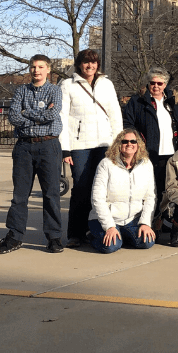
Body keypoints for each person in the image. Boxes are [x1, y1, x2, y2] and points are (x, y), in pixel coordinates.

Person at [0, 54, 65, 254]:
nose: (36, 70)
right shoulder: (21, 91)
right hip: (24, 147)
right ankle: (15, 236)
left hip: (48, 146)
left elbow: (53, 115)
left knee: (51, 194)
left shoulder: (55, 91)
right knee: (19, 195)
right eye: (33, 67)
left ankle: (53, 237)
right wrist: (35, 116)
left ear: (48, 70)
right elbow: (14, 117)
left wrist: (27, 112)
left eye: (41, 67)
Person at [59, 49, 123, 248]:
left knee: (104, 189)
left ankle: (97, 229)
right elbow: (61, 117)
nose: (90, 66)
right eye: (86, 63)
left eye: (94, 63)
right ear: (79, 64)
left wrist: (118, 143)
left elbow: (115, 114)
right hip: (80, 146)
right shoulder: (67, 85)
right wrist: (65, 149)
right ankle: (76, 233)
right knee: (81, 189)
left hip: (105, 145)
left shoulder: (107, 84)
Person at [122, 66, 178, 211]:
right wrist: (137, 143)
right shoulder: (137, 101)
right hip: (148, 153)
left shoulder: (172, 100)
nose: (156, 86)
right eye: (152, 83)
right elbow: (128, 124)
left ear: (165, 84)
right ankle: (149, 222)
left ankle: (162, 220)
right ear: (148, 83)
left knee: (168, 189)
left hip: (171, 153)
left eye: (160, 83)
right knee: (150, 190)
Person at [89, 129, 157, 253]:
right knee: (110, 247)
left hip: (132, 219)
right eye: (125, 141)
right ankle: (93, 235)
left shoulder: (146, 164)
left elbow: (150, 197)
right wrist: (109, 226)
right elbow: (97, 198)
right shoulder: (106, 164)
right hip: (108, 219)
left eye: (133, 141)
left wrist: (145, 223)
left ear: (138, 145)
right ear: (118, 145)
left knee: (147, 242)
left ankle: (123, 236)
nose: (129, 144)